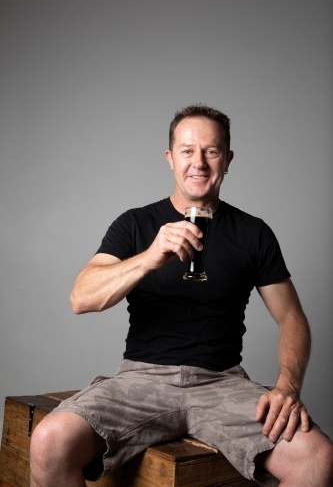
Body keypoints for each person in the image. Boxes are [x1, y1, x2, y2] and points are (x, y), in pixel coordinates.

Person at [30, 105, 333, 487]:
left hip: (222, 383)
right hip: (142, 380)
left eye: (212, 150)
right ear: (170, 159)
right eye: (188, 150)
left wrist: (287, 386)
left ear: (228, 159)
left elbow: (292, 319)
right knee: (48, 441)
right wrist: (149, 257)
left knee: (316, 457)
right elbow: (81, 297)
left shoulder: (254, 233)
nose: (199, 162)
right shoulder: (136, 223)